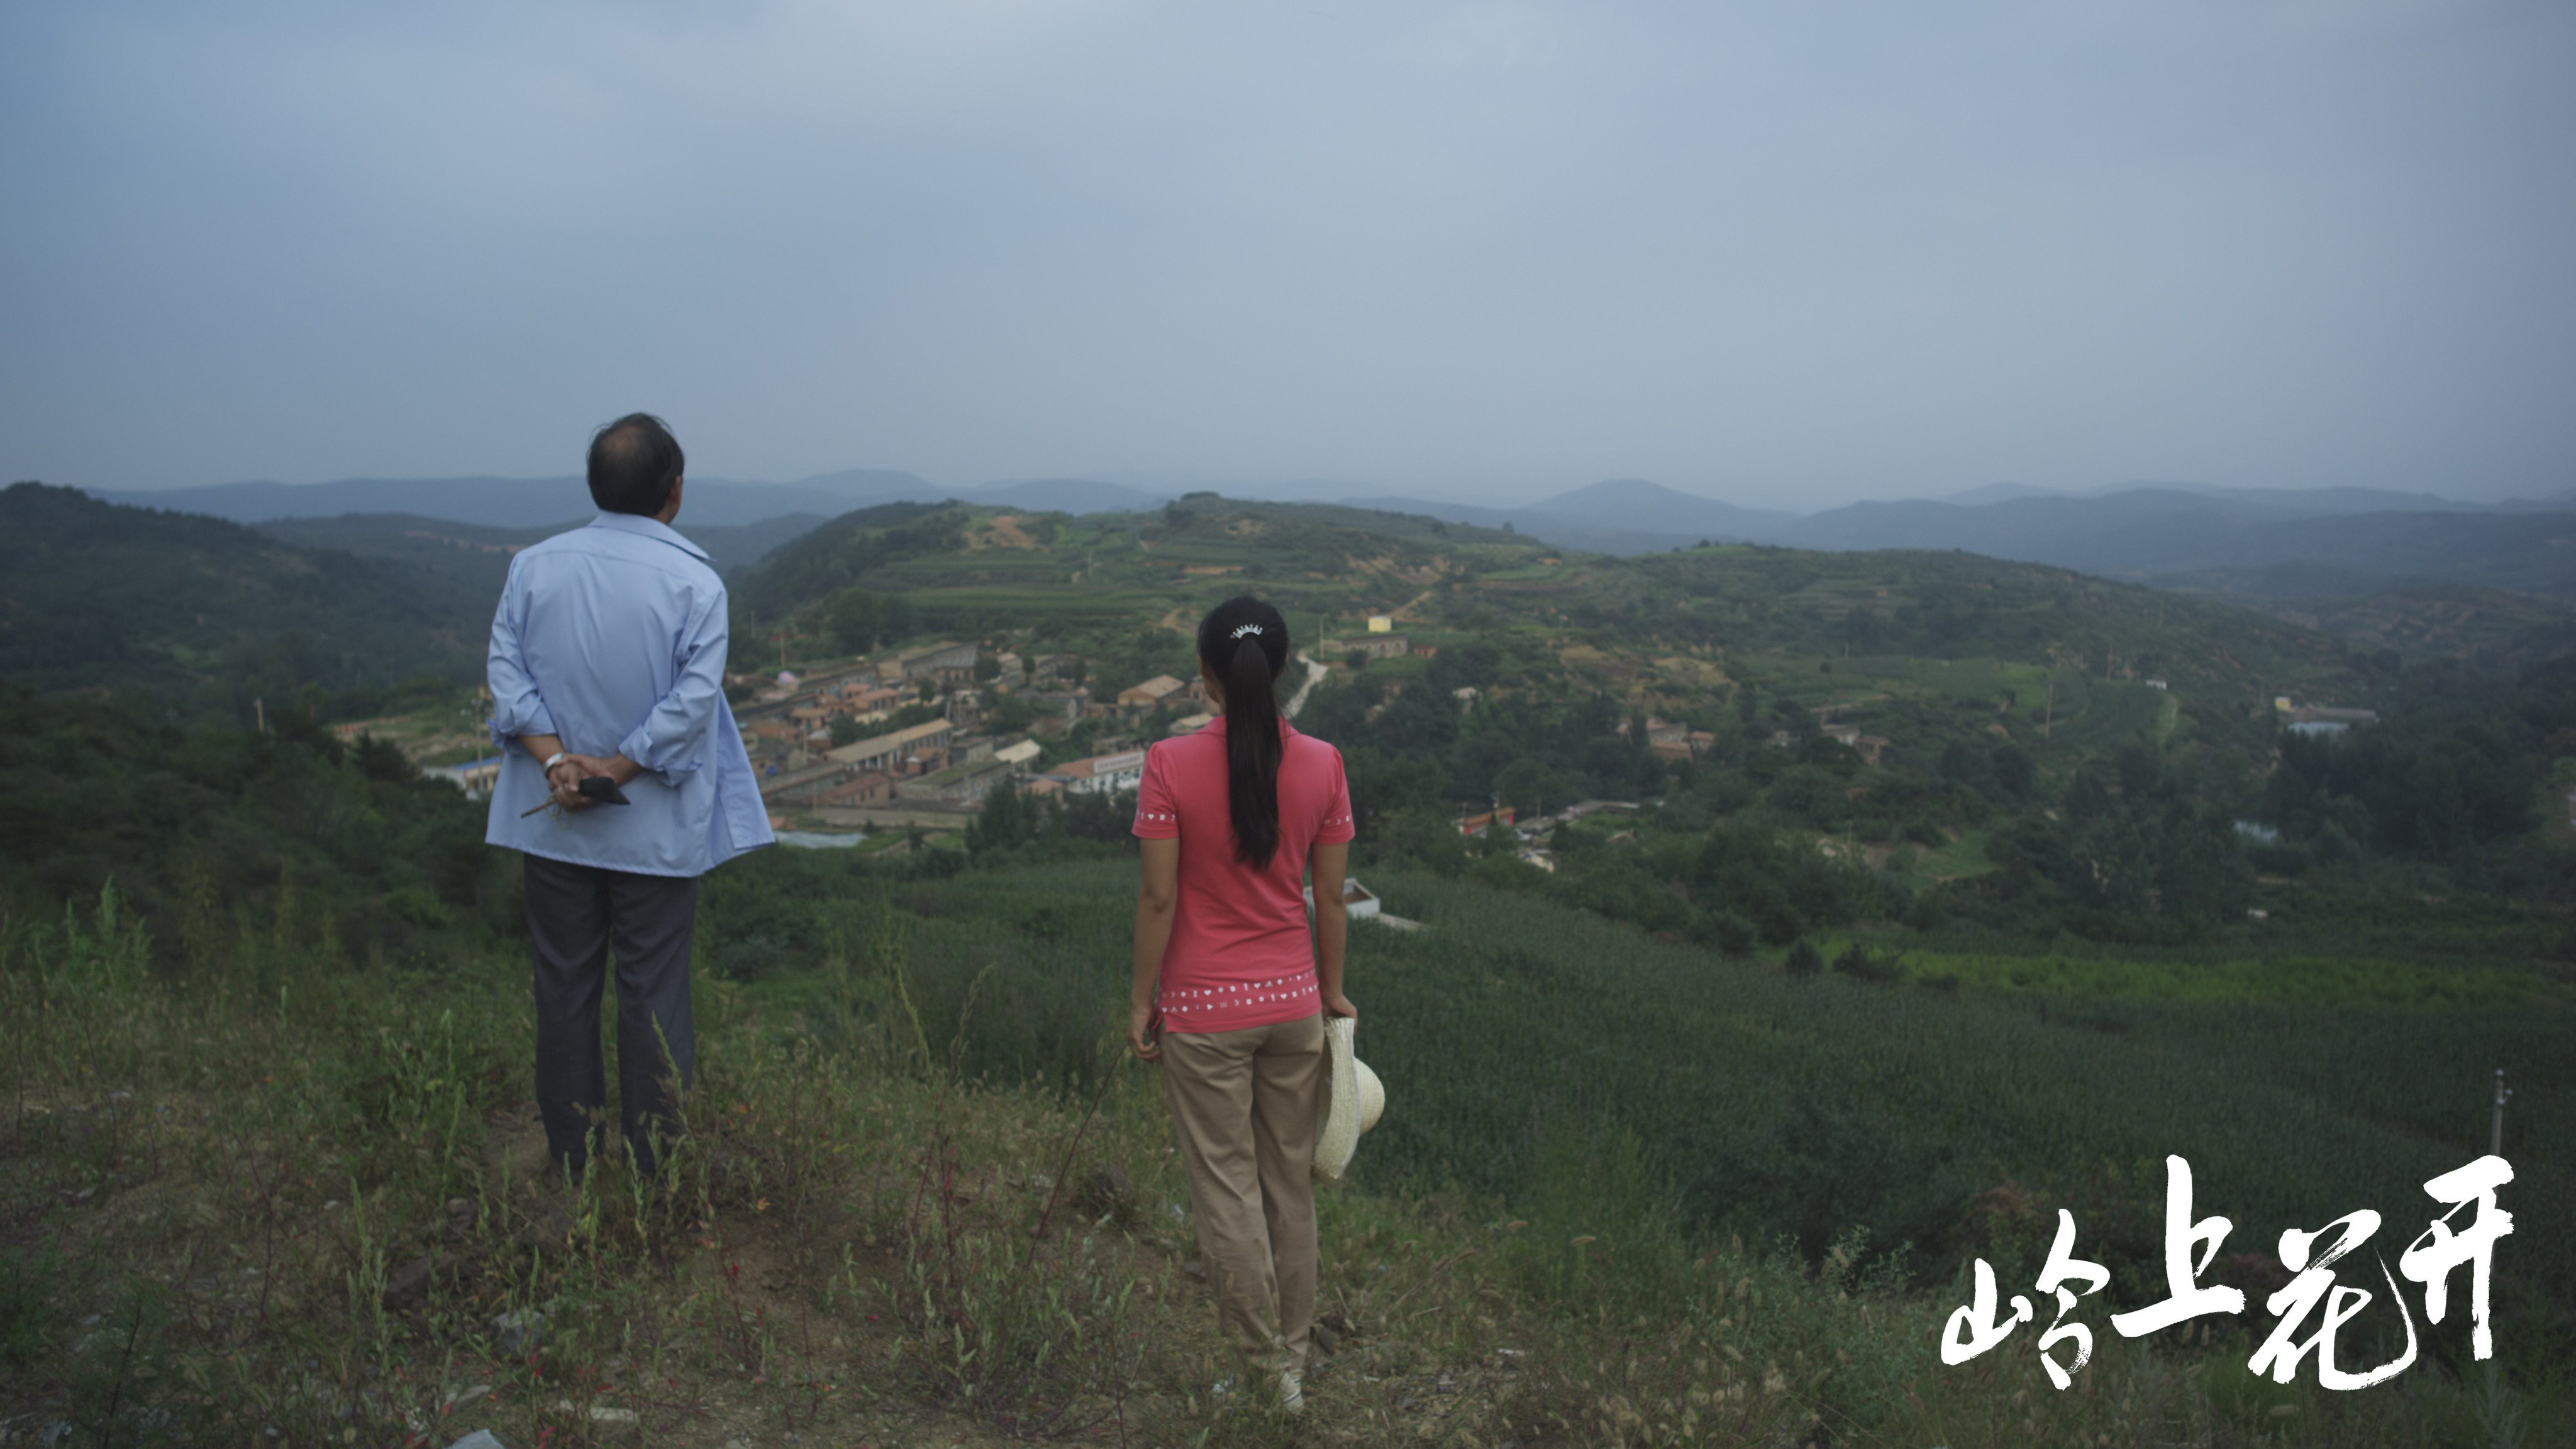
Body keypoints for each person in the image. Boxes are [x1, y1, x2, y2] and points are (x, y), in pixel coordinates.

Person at [484, 413, 773, 1181]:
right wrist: (611, 772)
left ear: (595, 487)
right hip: (653, 832)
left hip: (555, 826)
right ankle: (657, 1172)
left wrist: (558, 767)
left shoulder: (532, 568)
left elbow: (507, 682)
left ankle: (572, 1160)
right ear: (674, 492)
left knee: (563, 987)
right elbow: (689, 707)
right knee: (652, 997)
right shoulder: (694, 584)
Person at [1128, 596, 1355, 1413]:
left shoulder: (1169, 764)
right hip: (1294, 1005)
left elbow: (1158, 901)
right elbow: (1329, 901)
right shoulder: (1324, 764)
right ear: (1285, 669)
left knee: (1227, 1189)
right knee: (1286, 1186)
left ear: (1205, 675)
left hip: (1204, 1013)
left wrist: (1140, 1000)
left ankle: (1264, 1375)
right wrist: (1329, 995)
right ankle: (1287, 1363)